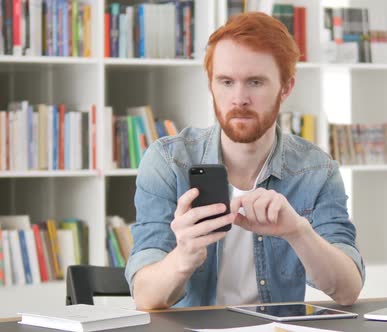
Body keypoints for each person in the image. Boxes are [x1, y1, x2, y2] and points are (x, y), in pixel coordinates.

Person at [125, 12, 365, 309]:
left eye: (255, 82)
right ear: (211, 85)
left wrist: (298, 231)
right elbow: (145, 297)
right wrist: (184, 256)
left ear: (286, 87)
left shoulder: (317, 170)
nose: (239, 98)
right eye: (226, 82)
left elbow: (348, 291)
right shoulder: (167, 161)